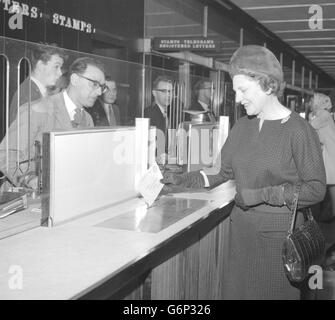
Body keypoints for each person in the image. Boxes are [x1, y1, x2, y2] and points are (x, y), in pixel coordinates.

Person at [162, 45, 326, 299]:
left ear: (268, 85)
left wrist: (262, 194)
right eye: (236, 90)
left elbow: (316, 189)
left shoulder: (298, 130)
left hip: (277, 242)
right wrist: (180, 180)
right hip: (241, 235)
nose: (238, 99)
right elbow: (221, 171)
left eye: (243, 90)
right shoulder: (241, 126)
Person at [0, 56, 106, 188]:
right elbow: (7, 154)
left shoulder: (87, 119)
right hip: (30, 201)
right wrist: (32, 180)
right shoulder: (37, 110)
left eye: (102, 87)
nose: (99, 92)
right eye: (94, 84)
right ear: (75, 80)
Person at [9, 43, 66, 124]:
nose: (60, 73)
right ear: (40, 66)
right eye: (56, 66)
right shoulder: (28, 95)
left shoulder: (33, 91)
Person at [309, 92, 335, 222]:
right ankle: (330, 213)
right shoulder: (324, 115)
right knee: (331, 185)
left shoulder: (323, 115)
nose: (310, 103)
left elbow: (309, 127)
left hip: (330, 154)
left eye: (312, 101)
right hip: (330, 152)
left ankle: (324, 215)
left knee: (325, 183)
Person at [144, 75, 174, 164]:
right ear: (154, 93)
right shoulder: (149, 113)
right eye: (164, 91)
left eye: (170, 91)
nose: (168, 95)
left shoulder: (171, 113)